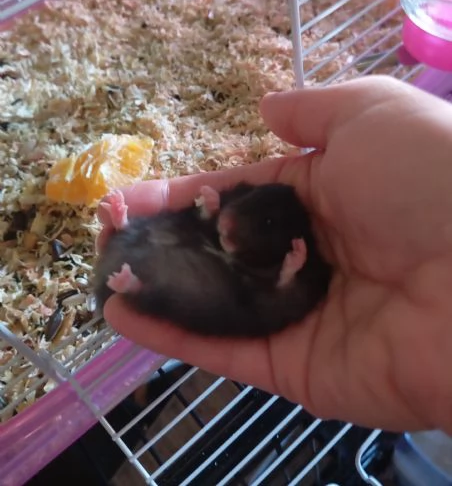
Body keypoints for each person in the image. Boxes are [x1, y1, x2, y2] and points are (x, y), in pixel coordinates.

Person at [98, 75, 452, 435]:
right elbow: (196, 227)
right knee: (172, 236)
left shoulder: (289, 279)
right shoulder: (251, 226)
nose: (230, 221)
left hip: (224, 290)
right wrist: (210, 210)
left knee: (191, 298)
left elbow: (271, 304)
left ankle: (138, 286)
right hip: (203, 261)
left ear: (291, 251)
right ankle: (129, 242)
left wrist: (286, 277)